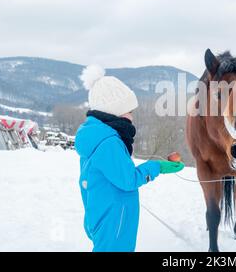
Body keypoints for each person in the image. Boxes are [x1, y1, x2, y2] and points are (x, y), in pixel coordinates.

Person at [75, 65, 184, 252]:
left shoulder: (97, 136)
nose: (132, 116)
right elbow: (128, 180)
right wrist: (156, 166)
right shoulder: (108, 142)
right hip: (115, 220)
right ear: (114, 111)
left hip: (105, 215)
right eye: (129, 111)